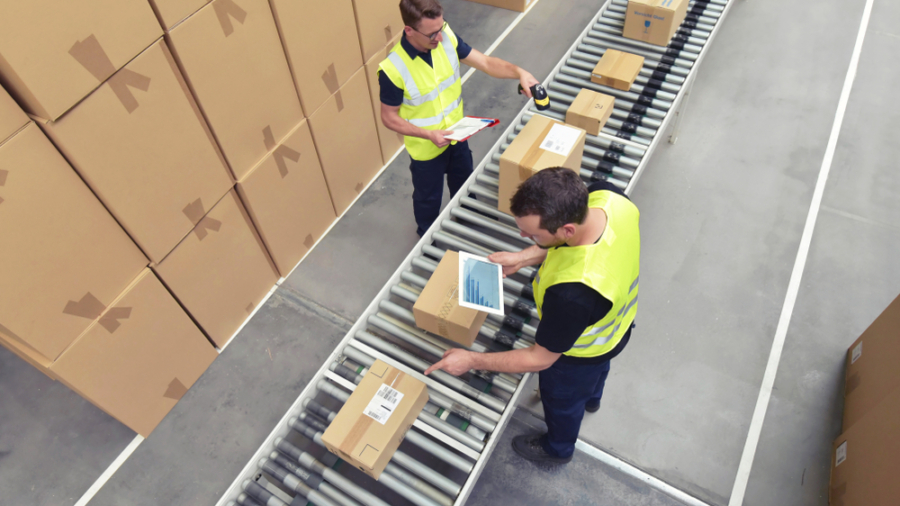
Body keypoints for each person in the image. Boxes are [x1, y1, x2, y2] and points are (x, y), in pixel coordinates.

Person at [424, 168, 640, 464]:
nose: (524, 237)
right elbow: (571, 243)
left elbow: (540, 359)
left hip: (580, 353)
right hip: (616, 327)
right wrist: (522, 257)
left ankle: (557, 449)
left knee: (563, 402)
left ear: (566, 230)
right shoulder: (610, 198)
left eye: (533, 235)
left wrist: (471, 360)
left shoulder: (573, 294)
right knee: (598, 373)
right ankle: (593, 399)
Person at [379, 0, 540, 237]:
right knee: (428, 200)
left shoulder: (445, 38)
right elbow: (389, 118)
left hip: (458, 135)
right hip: (426, 149)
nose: (440, 37)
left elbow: (485, 62)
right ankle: (428, 239)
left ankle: (468, 216)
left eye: (441, 28)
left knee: (464, 182)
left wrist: (520, 72)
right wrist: (428, 134)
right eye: (432, 34)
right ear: (409, 30)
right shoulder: (393, 69)